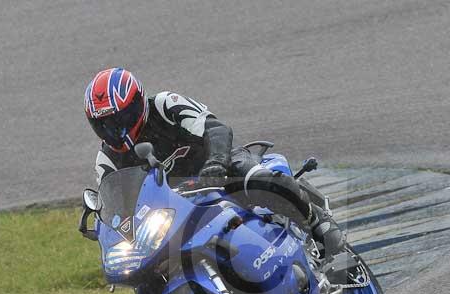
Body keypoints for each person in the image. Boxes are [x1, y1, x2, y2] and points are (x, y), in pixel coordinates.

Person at [84, 67, 345, 254]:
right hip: (175, 211)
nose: (114, 129)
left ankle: (316, 222)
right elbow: (116, 205)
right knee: (146, 285)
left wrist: (216, 163)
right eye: (103, 124)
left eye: (120, 118)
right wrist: (109, 227)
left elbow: (216, 129)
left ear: (138, 103)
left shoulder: (165, 105)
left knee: (259, 179)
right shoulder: (106, 159)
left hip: (218, 171)